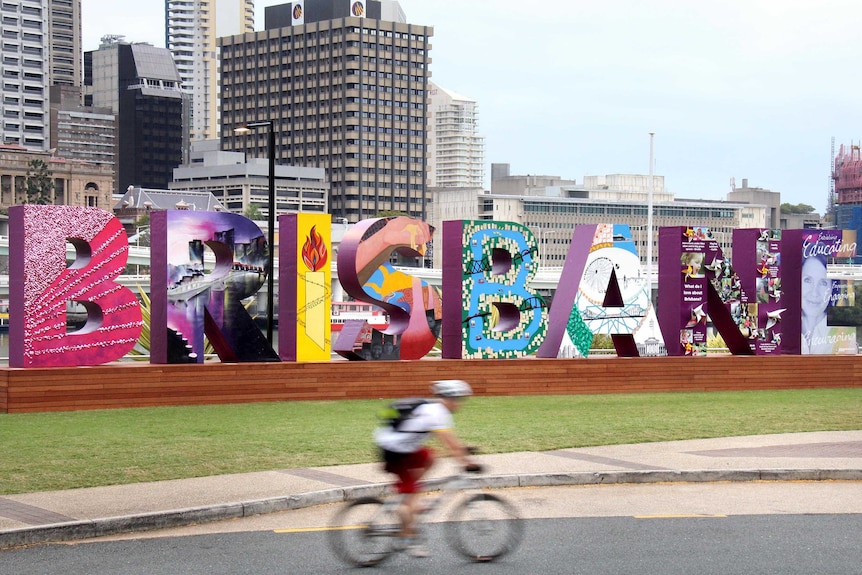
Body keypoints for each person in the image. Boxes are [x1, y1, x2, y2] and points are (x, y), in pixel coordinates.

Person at [373, 379, 479, 558]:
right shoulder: (437, 413)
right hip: (394, 450)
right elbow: (451, 443)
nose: (460, 403)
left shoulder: (435, 409)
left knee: (430, 458)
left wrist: (463, 450)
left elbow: (451, 442)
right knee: (409, 501)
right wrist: (467, 462)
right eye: (458, 399)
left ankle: (410, 494)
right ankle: (406, 538)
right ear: (449, 399)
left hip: (405, 446)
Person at [801, 255, 832, 354]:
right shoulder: (782, 324)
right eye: (808, 280)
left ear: (832, 289)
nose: (814, 293)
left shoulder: (842, 331)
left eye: (823, 283)